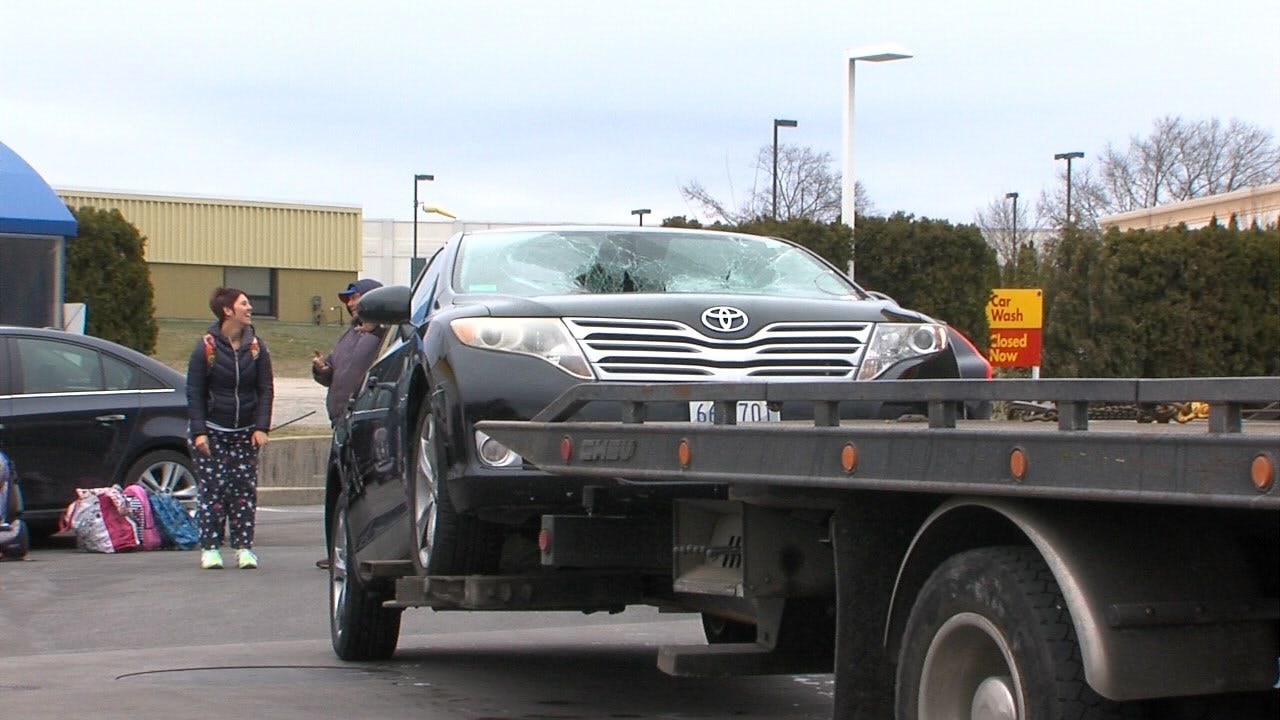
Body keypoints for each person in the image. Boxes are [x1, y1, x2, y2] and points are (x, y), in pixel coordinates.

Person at [186, 287, 274, 570]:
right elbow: (195, 391)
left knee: (244, 491)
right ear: (227, 311)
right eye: (244, 304)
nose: (249, 308)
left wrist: (261, 426)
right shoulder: (206, 347)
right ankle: (210, 548)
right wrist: (199, 431)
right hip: (213, 430)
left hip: (245, 433)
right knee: (213, 490)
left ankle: (243, 547)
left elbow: (265, 389)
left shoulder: (256, 348)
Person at [311, 278, 385, 569]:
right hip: (340, 421)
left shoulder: (386, 334)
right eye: (348, 300)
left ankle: (365, 550)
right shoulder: (348, 335)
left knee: (365, 489)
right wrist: (321, 370)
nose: (351, 304)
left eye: (355, 298)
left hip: (368, 422)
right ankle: (337, 551)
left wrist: (377, 330)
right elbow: (331, 372)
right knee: (339, 489)